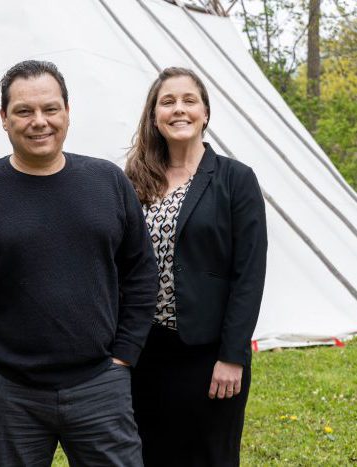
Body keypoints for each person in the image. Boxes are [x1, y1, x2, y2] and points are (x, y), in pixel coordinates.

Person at [0, 60, 157, 467]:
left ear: (67, 111)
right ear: (4, 119)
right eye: (24, 111)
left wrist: (124, 356)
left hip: (100, 385)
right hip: (10, 392)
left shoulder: (108, 182)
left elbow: (141, 271)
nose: (39, 122)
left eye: (50, 109)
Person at [125, 66, 267, 466]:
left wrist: (232, 356)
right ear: (154, 116)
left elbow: (249, 274)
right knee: (151, 454)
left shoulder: (235, 180)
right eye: (167, 102)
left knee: (210, 457)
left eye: (189, 100)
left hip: (209, 354)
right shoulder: (135, 180)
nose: (178, 109)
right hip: (146, 353)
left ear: (205, 112)